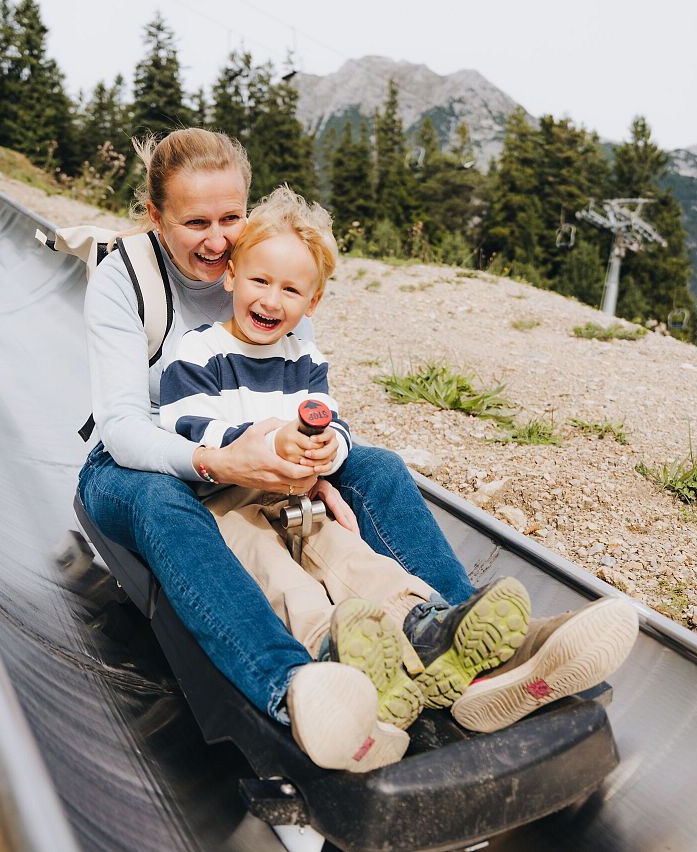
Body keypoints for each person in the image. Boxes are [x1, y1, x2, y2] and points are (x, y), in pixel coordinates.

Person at [78, 128, 638, 772]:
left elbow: (307, 394)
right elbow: (123, 427)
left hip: (266, 462)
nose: (217, 238)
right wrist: (221, 461)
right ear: (155, 217)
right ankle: (295, 687)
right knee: (167, 502)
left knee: (375, 467)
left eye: (231, 217)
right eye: (194, 222)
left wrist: (315, 459)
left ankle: (464, 643)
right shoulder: (125, 278)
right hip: (141, 463)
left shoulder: (276, 271)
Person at [158, 185, 532, 732]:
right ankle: (333, 646)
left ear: (312, 303)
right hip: (225, 501)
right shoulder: (197, 350)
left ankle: (424, 625)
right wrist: (266, 442)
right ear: (231, 275)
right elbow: (186, 426)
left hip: (296, 496)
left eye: (290, 290)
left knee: (346, 553)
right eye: (260, 280)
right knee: (279, 573)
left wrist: (330, 448)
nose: (270, 300)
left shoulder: (304, 357)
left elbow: (332, 423)